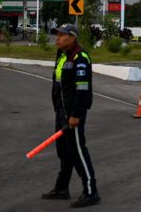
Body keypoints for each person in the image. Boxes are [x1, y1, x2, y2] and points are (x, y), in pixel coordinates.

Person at [41, 24, 101, 208]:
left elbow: (82, 90)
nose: (57, 38)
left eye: (62, 35)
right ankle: (61, 188)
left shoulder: (80, 57)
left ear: (73, 37)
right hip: (61, 111)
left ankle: (91, 192)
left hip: (73, 113)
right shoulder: (62, 55)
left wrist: (76, 115)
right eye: (57, 35)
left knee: (77, 151)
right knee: (63, 151)